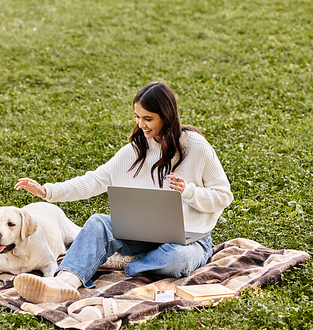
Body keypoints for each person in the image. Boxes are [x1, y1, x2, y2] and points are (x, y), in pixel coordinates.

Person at [12, 82, 233, 304]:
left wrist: (189, 191)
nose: (141, 124)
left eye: (148, 119)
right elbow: (94, 180)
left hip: (189, 241)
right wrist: (47, 191)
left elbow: (224, 195)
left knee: (178, 258)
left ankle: (124, 262)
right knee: (98, 223)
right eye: (137, 117)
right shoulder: (135, 150)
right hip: (142, 234)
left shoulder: (196, 147)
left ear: (166, 116)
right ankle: (63, 284)